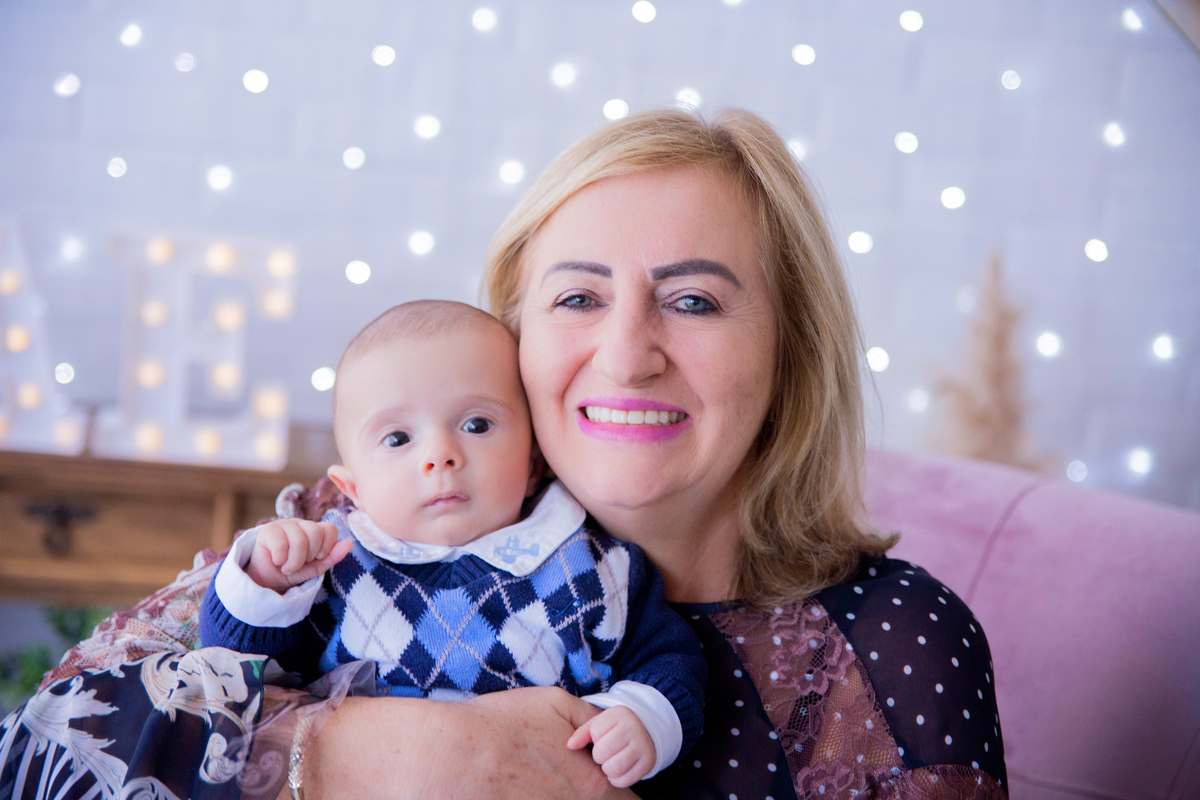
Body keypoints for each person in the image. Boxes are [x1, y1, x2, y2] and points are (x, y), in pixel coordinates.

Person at [2, 108, 1007, 800]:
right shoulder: (359, 527)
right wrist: (387, 756)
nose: (627, 352)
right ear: (515, 335)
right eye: (578, 297)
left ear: (791, 353)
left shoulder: (894, 645)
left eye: (693, 299)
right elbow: (33, 754)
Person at [198, 300, 705, 788]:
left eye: (476, 424)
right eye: (398, 439)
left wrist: (644, 719)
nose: (440, 455)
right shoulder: (336, 561)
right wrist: (265, 583)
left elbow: (669, 657)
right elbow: (240, 676)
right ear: (353, 489)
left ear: (533, 464)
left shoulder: (589, 564)